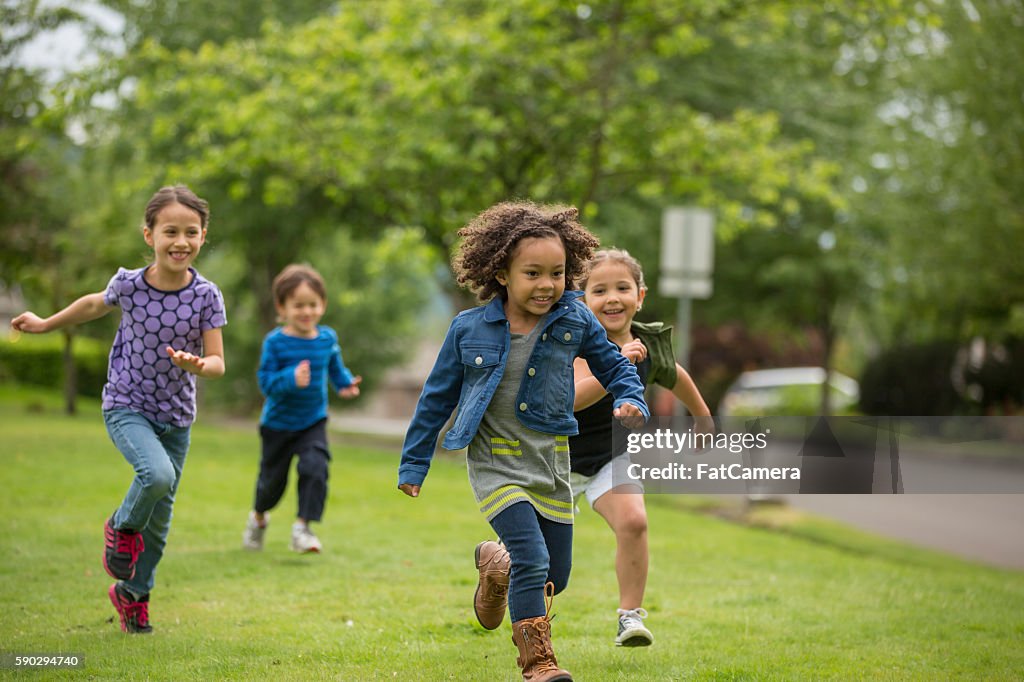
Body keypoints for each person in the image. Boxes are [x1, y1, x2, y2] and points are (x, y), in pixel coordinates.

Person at [397, 202, 649, 682]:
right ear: (501, 273)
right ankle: (538, 663)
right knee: (534, 558)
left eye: (557, 273)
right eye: (532, 273)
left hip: (550, 462)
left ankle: (497, 565)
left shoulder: (575, 318)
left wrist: (630, 396)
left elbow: (615, 364)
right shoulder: (468, 329)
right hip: (494, 464)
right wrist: (414, 464)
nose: (547, 285)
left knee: (556, 575)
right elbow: (436, 398)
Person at [10, 185, 227, 634]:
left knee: (161, 527)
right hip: (127, 405)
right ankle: (120, 526)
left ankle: (133, 595)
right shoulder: (130, 283)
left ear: (204, 236)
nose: (180, 241)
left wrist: (198, 365)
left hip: (177, 418)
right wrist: (47, 324)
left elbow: (217, 363)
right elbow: (94, 303)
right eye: (170, 231)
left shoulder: (207, 296)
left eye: (191, 232)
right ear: (149, 235)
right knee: (157, 475)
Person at [569, 248, 712, 647]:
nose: (612, 298)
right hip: (554, 461)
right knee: (538, 554)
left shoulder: (647, 343)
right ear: (583, 300)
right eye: (599, 290)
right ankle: (497, 564)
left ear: (640, 296)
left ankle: (629, 617)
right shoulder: (576, 340)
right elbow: (576, 397)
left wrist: (702, 416)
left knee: (634, 522)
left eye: (622, 287)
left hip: (608, 459)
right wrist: (617, 365)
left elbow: (674, 374)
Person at [241, 264, 362, 554]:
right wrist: (290, 378)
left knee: (315, 467)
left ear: (323, 305)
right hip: (278, 424)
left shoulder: (326, 338)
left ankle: (302, 528)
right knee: (271, 485)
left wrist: (344, 383)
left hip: (312, 421)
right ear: (282, 307)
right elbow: (265, 382)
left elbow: (334, 366)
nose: (306, 311)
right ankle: (258, 518)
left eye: (312, 304)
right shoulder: (276, 343)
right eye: (298, 306)